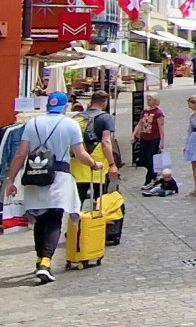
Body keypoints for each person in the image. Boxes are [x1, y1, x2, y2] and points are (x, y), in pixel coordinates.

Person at [4, 93, 103, 283]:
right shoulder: (70, 125)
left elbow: (21, 154)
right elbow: (80, 154)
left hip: (34, 175)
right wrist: (93, 164)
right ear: (65, 107)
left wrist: (10, 179)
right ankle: (45, 263)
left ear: (48, 106)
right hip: (58, 176)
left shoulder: (32, 123)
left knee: (40, 220)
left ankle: (39, 259)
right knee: (54, 219)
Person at [70, 90, 117, 202]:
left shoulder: (77, 117)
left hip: (78, 162)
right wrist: (112, 164)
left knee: (78, 199)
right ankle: (97, 213)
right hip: (98, 163)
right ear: (104, 102)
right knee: (100, 200)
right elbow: (106, 142)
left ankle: (76, 214)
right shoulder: (106, 118)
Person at [130, 93, 166, 185]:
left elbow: (161, 127)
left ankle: (150, 178)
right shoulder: (145, 112)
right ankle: (153, 172)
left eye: (150, 100)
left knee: (151, 158)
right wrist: (133, 134)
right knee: (142, 158)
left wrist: (162, 141)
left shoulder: (158, 113)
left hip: (154, 138)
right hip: (144, 137)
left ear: (155, 101)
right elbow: (140, 124)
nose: (148, 101)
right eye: (147, 100)